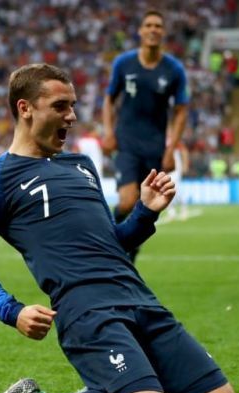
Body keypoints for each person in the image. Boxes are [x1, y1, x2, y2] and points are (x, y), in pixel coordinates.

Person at [0, 64, 236, 393]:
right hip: (86, 309)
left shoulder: (82, 165)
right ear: (25, 108)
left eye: (72, 106)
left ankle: (130, 390)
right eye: (60, 106)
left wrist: (145, 212)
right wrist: (12, 310)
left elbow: (112, 244)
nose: (71, 116)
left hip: (138, 295)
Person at [102, 9, 189, 259]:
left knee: (146, 205)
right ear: (141, 31)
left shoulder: (174, 70)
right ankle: (110, 246)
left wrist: (172, 149)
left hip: (155, 147)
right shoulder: (123, 63)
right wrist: (108, 132)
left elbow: (181, 111)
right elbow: (109, 99)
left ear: (163, 33)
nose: (153, 29)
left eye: (158, 26)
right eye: (148, 25)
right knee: (127, 201)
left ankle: (127, 259)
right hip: (127, 143)